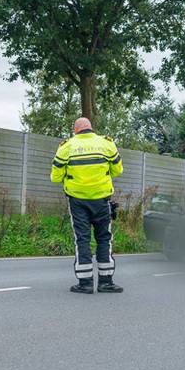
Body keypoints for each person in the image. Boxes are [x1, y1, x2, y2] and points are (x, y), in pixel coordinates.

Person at [51, 118, 124, 294]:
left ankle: (85, 283)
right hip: (101, 200)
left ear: (75, 130)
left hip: (77, 201)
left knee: (82, 239)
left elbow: (55, 177)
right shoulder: (106, 144)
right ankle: (106, 282)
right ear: (91, 128)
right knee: (104, 238)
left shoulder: (66, 147)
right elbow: (118, 170)